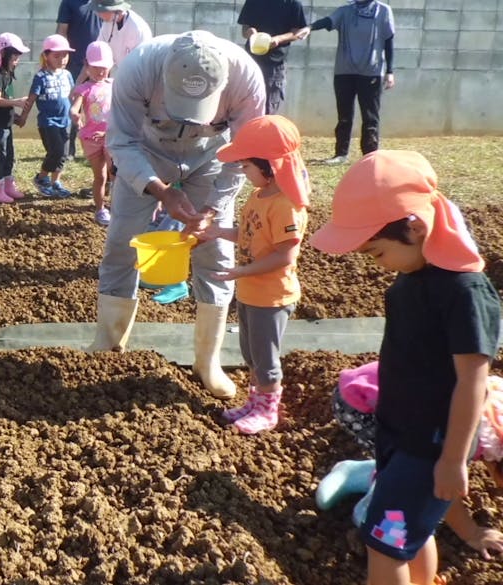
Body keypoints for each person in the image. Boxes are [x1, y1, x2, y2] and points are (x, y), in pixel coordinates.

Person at [309, 150, 501, 585]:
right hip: (400, 435)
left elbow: (473, 381)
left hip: (432, 448)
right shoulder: (412, 279)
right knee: (408, 534)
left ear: (414, 227)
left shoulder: (466, 292)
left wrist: (453, 459)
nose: (374, 261)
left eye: (376, 252)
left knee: (384, 545)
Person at [89, 30, 266, 402]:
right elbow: (120, 140)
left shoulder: (246, 79)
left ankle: (207, 361)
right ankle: (108, 347)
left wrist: (213, 208)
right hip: (147, 153)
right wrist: (159, 190)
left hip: (212, 159)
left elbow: (245, 151)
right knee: (123, 241)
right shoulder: (138, 68)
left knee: (215, 253)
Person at [317, 362, 503, 561]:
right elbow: (441, 487)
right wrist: (472, 533)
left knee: (415, 460)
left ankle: (359, 472)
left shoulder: (491, 417)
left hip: (395, 390)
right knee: (413, 470)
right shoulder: (463, 437)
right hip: (359, 403)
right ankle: (371, 507)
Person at [200, 115, 309, 433]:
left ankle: (268, 410)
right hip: (250, 290)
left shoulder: (285, 205)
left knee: (265, 357)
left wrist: (241, 270)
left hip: (271, 296)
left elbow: (285, 253)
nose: (244, 172)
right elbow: (249, 234)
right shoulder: (260, 194)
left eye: (247, 166)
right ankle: (255, 402)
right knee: (250, 353)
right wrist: (218, 232)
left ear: (270, 165)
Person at [309, 0, 395, 164]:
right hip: (344, 71)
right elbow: (328, 21)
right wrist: (308, 28)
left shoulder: (383, 11)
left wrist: (390, 71)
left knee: (370, 117)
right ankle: (340, 154)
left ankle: (370, 157)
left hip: (371, 71)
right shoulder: (345, 11)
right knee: (344, 116)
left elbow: (389, 40)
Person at [18, 34, 75, 199]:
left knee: (64, 153)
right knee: (55, 151)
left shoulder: (67, 75)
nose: (62, 59)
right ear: (46, 56)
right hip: (48, 122)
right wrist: (23, 117)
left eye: (65, 55)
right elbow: (31, 98)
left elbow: (73, 96)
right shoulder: (41, 77)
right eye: (57, 56)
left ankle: (56, 182)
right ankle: (41, 178)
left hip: (66, 121)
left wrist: (78, 114)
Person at [237, 0, 310, 115]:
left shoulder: (293, 3)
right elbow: (245, 29)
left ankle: (264, 132)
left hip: (275, 64)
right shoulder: (253, 2)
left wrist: (278, 39)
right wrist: (249, 32)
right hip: (250, 62)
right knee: (244, 103)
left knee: (269, 107)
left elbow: (297, 32)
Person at [70, 40, 114, 225]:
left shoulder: (115, 85)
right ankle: (100, 209)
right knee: (100, 176)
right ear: (87, 66)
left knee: (115, 174)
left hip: (111, 135)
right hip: (91, 138)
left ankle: (117, 209)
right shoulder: (84, 88)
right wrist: (75, 115)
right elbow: (75, 108)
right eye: (96, 67)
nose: (100, 71)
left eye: (104, 67)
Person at [0, 32, 30, 205]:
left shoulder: (8, 75)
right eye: (14, 57)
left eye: (18, 57)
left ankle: (8, 185)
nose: (16, 60)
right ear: (3, 54)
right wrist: (17, 102)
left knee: (9, 154)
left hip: (5, 123)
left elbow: (6, 103)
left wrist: (15, 117)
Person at [57, 0, 100, 158]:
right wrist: (60, 58)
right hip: (75, 64)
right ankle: (68, 148)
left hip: (100, 64)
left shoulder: (103, 3)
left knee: (100, 105)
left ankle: (97, 147)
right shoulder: (69, 2)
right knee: (73, 105)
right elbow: (62, 30)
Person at [90, 0, 152, 67]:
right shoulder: (107, 23)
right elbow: (99, 52)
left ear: (115, 10)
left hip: (138, 73)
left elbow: (141, 64)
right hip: (122, 71)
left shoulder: (137, 28)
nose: (98, 14)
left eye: (100, 10)